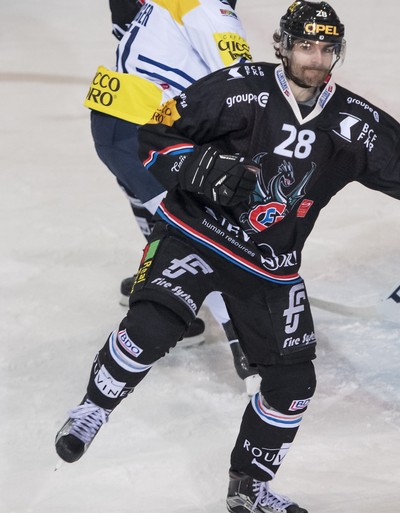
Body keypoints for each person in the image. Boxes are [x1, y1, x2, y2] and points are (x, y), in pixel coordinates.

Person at [55, 2, 400, 512]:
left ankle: (249, 484)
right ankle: (92, 408)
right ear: (283, 45)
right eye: (306, 46)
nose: (315, 59)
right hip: (194, 232)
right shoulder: (237, 87)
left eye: (326, 48)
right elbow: (158, 137)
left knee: (293, 382)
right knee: (154, 325)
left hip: (270, 262)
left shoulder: (352, 120)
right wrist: (207, 169)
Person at [91, 0, 259, 390]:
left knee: (161, 212)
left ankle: (162, 289)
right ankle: (247, 347)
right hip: (141, 130)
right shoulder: (210, 9)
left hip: (119, 122)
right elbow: (244, 86)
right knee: (204, 230)